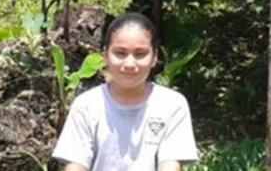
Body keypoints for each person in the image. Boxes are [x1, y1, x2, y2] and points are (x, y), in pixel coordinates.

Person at [52, 12, 199, 171]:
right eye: (120, 53)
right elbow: (76, 166)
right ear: (105, 55)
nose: (129, 63)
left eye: (140, 54)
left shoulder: (172, 105)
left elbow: (170, 166)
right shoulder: (86, 106)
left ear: (154, 57)